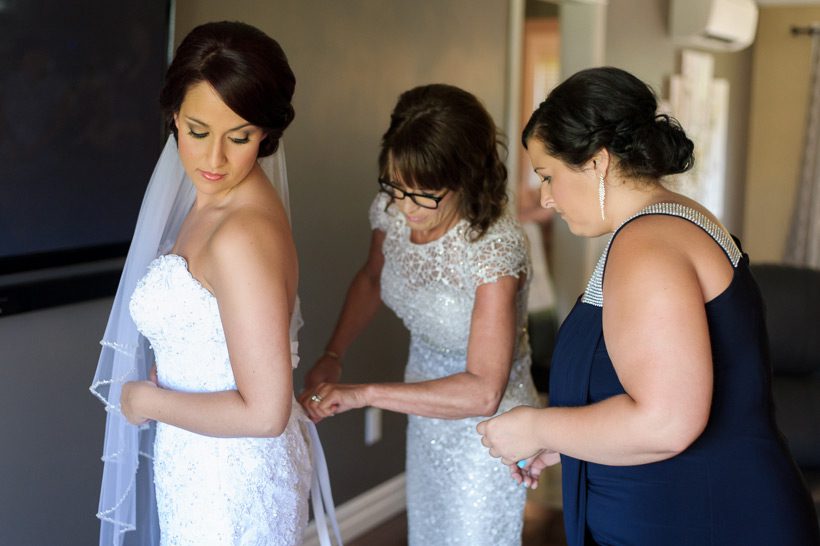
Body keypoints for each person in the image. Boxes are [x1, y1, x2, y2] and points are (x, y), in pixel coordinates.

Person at [477, 66, 820, 545]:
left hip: (703, 521)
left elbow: (665, 423)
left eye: (548, 176)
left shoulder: (648, 245)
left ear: (596, 163)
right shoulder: (669, 221)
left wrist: (538, 425)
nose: (547, 199)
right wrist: (566, 439)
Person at [90, 22, 339, 546]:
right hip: (201, 459)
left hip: (233, 483)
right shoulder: (212, 205)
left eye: (240, 136)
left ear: (266, 134)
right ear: (175, 117)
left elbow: (267, 412)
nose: (214, 160)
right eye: (198, 131)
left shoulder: (241, 234)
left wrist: (144, 400)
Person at [297, 83, 540, 546]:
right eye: (397, 185)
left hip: (489, 427)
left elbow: (484, 391)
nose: (406, 206)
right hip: (425, 404)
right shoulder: (393, 209)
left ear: (466, 177)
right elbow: (372, 277)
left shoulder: (494, 249)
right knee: (429, 533)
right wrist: (334, 352)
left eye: (424, 194)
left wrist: (362, 393)